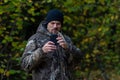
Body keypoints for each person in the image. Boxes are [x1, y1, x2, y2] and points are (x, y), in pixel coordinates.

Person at [21, 9, 84, 80]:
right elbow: (25, 65)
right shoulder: (36, 39)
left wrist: (68, 48)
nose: (55, 26)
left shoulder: (66, 39)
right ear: (47, 23)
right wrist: (41, 51)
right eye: (52, 23)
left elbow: (79, 59)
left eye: (58, 24)